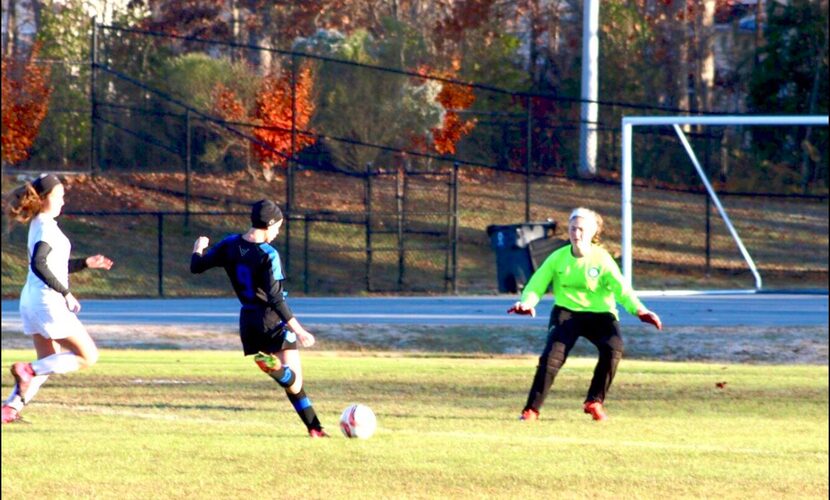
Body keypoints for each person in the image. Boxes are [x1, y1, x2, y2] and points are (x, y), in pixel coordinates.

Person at [508, 207, 662, 422]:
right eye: (572, 228)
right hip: (566, 314)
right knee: (551, 357)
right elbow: (536, 285)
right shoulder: (557, 258)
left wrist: (639, 310)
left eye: (581, 229)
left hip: (600, 315)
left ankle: (594, 401)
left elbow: (622, 290)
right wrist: (526, 303)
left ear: (592, 233)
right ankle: (531, 410)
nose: (576, 233)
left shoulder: (602, 260)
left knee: (613, 347)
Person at [190, 199, 328, 437]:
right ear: (270, 224)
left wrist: (198, 247)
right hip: (271, 319)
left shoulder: (230, 244)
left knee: (293, 381)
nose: (277, 233)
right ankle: (278, 372)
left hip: (248, 322)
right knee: (293, 380)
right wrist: (300, 329)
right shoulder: (268, 254)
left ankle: (314, 428)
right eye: (277, 228)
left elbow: (197, 266)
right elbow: (275, 299)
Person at [2, 173, 114, 424]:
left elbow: (54, 265)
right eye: (59, 196)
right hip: (47, 301)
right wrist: (66, 292)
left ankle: (10, 408)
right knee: (87, 356)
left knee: (48, 361)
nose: (63, 201)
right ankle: (27, 370)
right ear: (43, 199)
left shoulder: (42, 224)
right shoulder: (44, 226)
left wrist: (85, 263)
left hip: (31, 300)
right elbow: (39, 264)